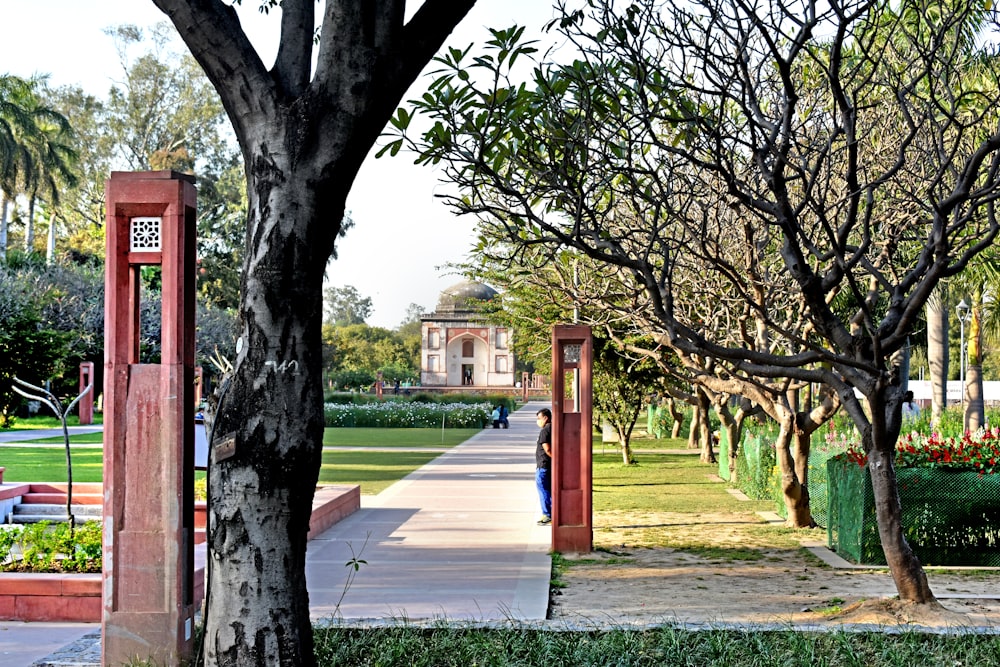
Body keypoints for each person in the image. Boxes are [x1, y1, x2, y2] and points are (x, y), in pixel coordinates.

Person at [535, 408, 553, 525]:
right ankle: (551, 513)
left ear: (545, 418)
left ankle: (547, 514)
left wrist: (555, 459)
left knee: (543, 490)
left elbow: (547, 448)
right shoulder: (552, 428)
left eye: (539, 418)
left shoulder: (545, 430)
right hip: (547, 465)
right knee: (547, 489)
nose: (538, 421)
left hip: (543, 465)